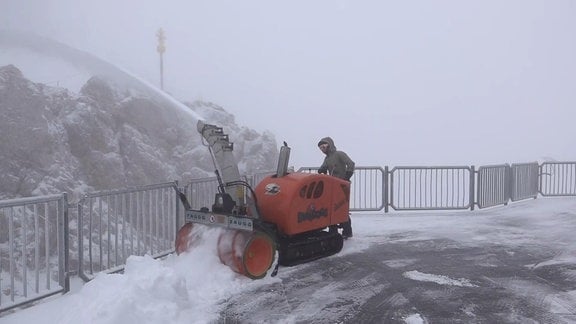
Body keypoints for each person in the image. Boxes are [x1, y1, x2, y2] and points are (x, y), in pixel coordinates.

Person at [317, 137, 355, 239]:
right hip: (333, 186)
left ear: (329, 145)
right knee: (332, 208)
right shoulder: (327, 158)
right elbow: (323, 167)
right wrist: (321, 170)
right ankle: (333, 230)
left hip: (343, 186)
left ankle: (347, 231)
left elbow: (351, 164)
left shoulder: (339, 154)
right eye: (321, 148)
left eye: (324, 146)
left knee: (341, 207)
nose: (322, 149)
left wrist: (347, 177)